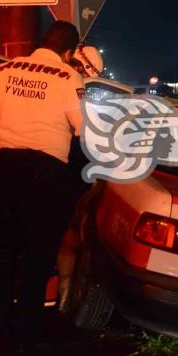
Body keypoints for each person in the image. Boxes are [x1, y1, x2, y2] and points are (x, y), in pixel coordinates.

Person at [0, 21, 85, 353]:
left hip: (8, 169)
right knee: (38, 254)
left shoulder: (7, 69)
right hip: (47, 174)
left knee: (5, 249)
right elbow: (84, 127)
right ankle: (27, 333)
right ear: (68, 51)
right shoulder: (69, 78)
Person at [57, 44, 104, 311]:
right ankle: (63, 298)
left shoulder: (50, 79)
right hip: (66, 173)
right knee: (70, 237)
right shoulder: (74, 87)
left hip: (32, 168)